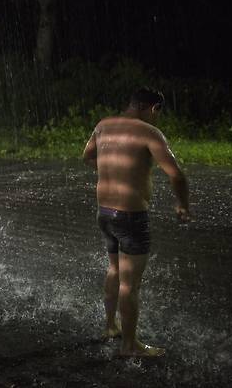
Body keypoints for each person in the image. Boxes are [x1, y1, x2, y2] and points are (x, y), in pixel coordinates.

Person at [83, 87, 190, 357]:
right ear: (153, 108)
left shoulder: (103, 125)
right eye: (158, 113)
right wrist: (182, 204)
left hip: (104, 212)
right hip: (130, 216)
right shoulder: (149, 132)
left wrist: (113, 170)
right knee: (130, 284)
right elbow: (176, 175)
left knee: (114, 269)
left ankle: (110, 327)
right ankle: (129, 346)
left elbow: (87, 156)